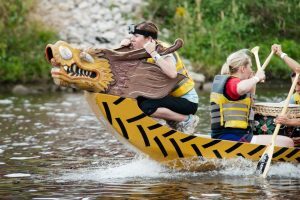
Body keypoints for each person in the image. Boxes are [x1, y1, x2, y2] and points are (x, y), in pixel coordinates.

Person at [119, 21, 199, 134]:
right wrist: (123, 48)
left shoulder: (163, 50)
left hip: (187, 102)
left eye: (136, 36)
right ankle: (170, 122)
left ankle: (187, 120)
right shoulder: (143, 51)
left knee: (147, 106)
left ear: (149, 39)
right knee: (136, 99)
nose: (131, 39)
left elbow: (172, 74)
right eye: (132, 35)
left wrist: (153, 53)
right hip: (168, 98)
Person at [210, 49, 294, 147]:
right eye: (250, 67)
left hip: (234, 135)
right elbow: (240, 88)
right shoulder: (231, 83)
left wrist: (252, 81)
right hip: (231, 137)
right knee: (288, 142)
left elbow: (250, 104)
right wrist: (256, 78)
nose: (251, 70)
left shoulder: (232, 82)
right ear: (242, 69)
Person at [272, 44, 300, 145]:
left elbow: (298, 68)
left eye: (299, 84)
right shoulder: (295, 97)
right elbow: (279, 107)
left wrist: (280, 53)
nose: (297, 88)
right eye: (294, 85)